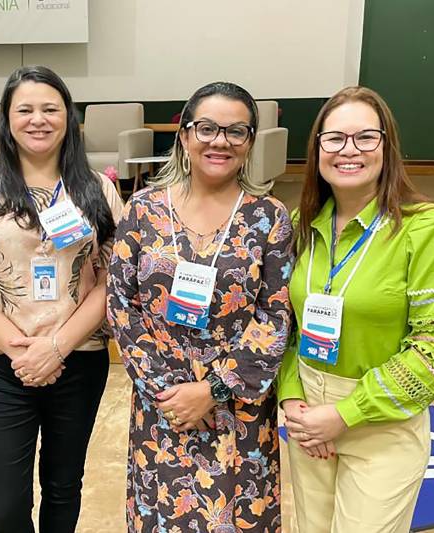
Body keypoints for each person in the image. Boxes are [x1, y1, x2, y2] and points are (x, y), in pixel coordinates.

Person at [0, 65, 123, 532]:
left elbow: (112, 277)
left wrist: (56, 347)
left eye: (50, 109)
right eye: (24, 109)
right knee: (5, 501)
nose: (37, 119)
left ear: (68, 118)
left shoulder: (97, 189)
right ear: (6, 119)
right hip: (3, 365)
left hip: (78, 359)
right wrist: (22, 350)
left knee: (65, 485)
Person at [277, 86, 434, 533]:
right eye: (334, 138)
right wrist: (292, 397)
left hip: (380, 423)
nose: (349, 150)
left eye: (365, 137)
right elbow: (284, 326)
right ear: (317, 148)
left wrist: (344, 415)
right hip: (308, 417)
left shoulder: (433, 228)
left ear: (388, 146)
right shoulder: (299, 225)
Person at [107, 82, 292, 532]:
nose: (220, 141)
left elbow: (276, 314)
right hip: (163, 407)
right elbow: (121, 304)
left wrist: (213, 389)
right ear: (185, 136)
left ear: (250, 143)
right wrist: (172, 392)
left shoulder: (268, 216)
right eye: (207, 128)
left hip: (239, 408)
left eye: (236, 132)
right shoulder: (143, 210)